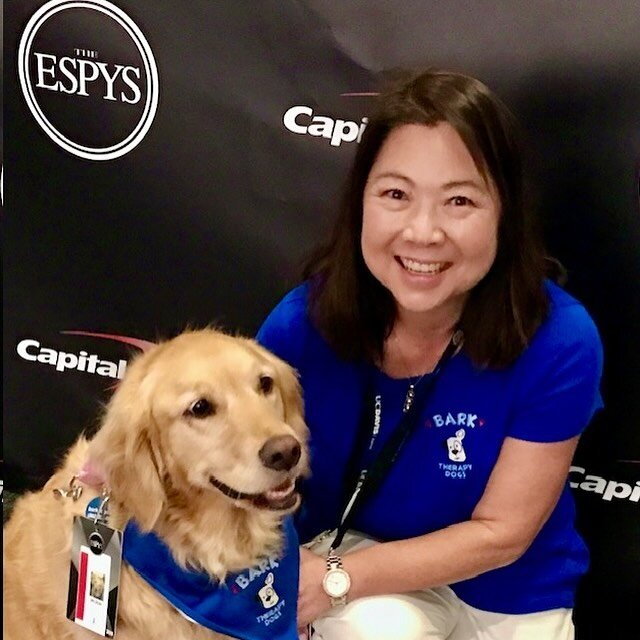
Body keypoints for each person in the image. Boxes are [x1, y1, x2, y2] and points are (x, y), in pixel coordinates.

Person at [256, 69, 603, 640]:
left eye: (459, 201)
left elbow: (502, 534)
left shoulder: (560, 337)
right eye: (396, 194)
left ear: (504, 214)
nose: (422, 232)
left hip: (509, 585)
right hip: (356, 559)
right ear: (360, 202)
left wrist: (338, 578)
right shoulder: (300, 325)